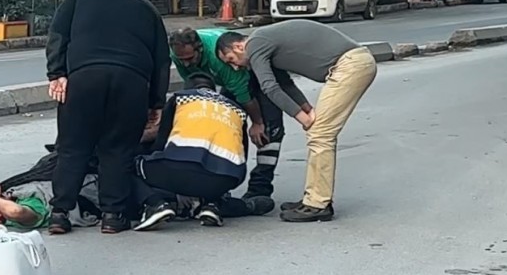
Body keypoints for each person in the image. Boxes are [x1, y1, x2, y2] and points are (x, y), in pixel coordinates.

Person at [45, 0, 170, 235]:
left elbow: (57, 35)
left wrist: (56, 74)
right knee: (118, 150)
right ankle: (112, 216)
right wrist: (156, 103)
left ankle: (59, 214)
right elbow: (161, 61)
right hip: (131, 83)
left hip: (83, 78)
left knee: (72, 147)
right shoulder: (148, 9)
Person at [215, 20, 378, 223]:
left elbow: (269, 87)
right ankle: (312, 199)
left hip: (350, 66)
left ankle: (317, 205)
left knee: (320, 134)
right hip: (353, 63)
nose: (235, 67)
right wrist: (307, 110)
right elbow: (285, 84)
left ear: (239, 46)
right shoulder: (265, 42)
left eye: (231, 59)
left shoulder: (255, 44)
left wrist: (301, 118)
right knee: (319, 133)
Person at [132, 77, 276, 231]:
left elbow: (161, 144)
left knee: (125, 165)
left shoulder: (181, 98)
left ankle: (155, 204)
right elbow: (242, 155)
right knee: (210, 168)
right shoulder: (235, 108)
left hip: (180, 169)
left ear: (187, 88)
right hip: (228, 178)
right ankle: (212, 204)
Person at [169, 27, 285, 204]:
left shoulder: (219, 57)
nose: (186, 64)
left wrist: (257, 122)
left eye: (190, 59)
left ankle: (260, 188)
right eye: (181, 60)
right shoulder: (177, 53)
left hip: (257, 75)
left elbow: (244, 94)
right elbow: (193, 85)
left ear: (199, 48)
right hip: (230, 80)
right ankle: (221, 182)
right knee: (227, 126)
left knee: (270, 132)